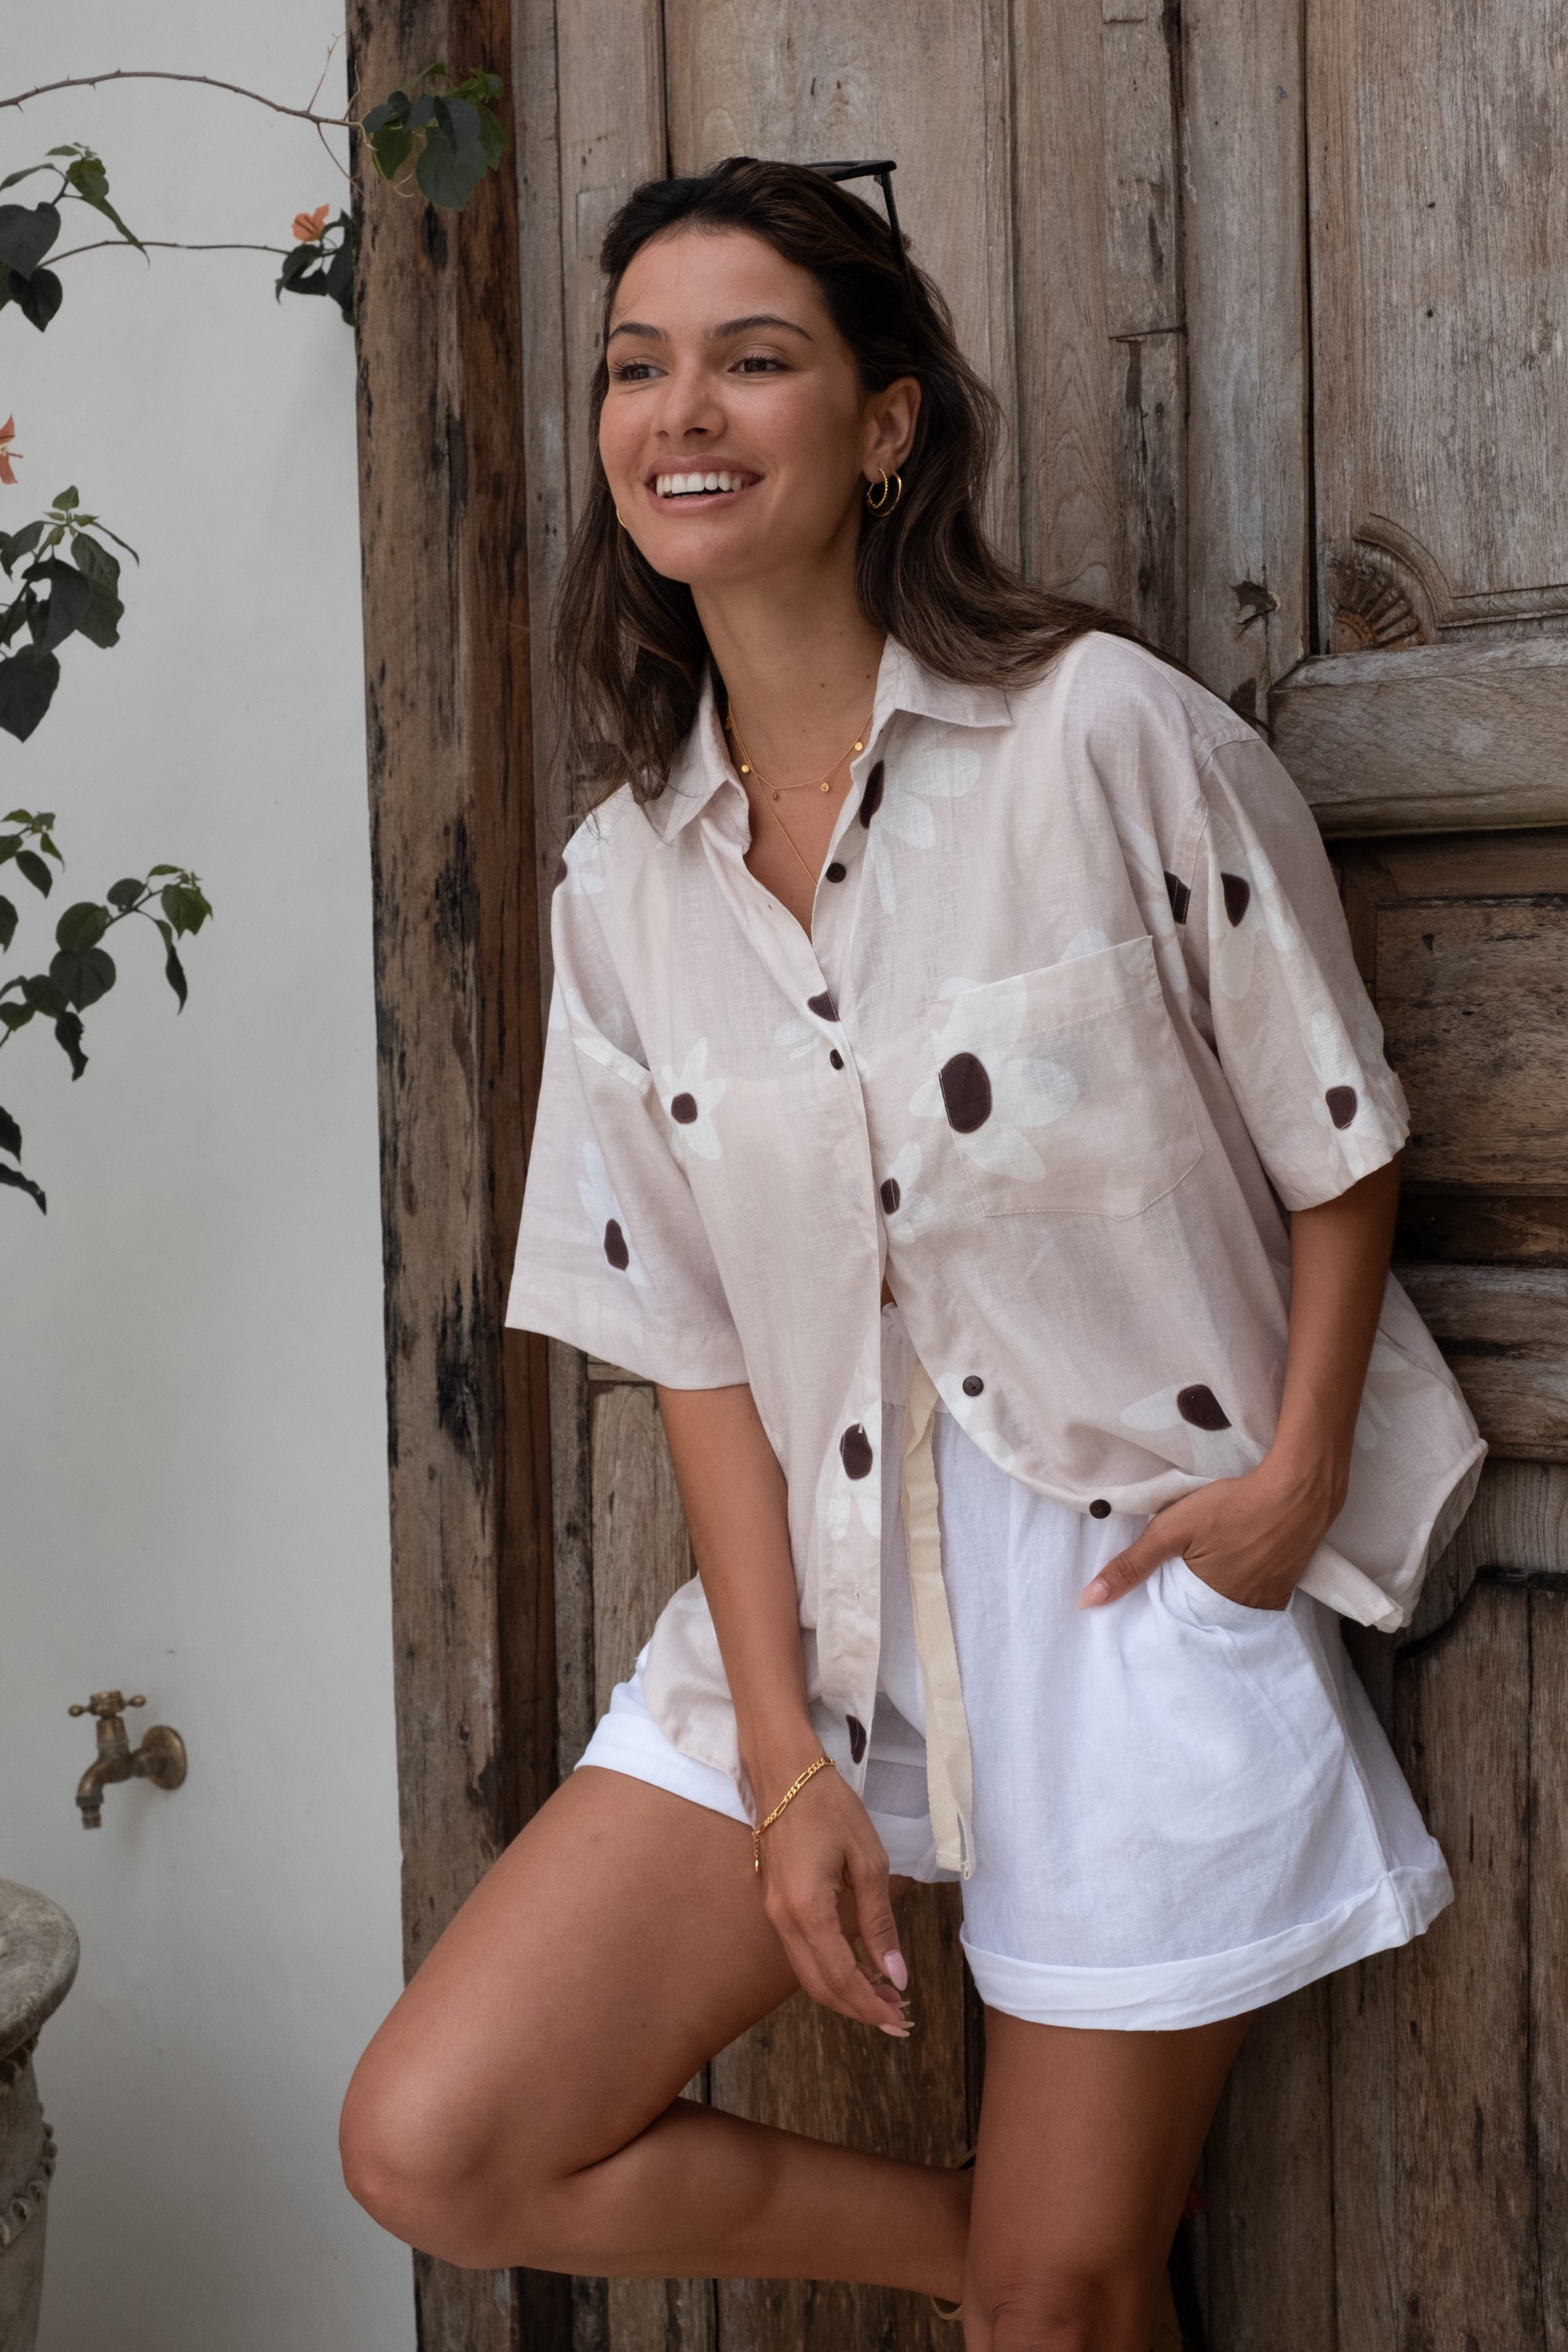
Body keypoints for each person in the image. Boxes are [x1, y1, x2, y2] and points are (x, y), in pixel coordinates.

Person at [339, 157, 1485, 2349]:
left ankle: (1059, 2267)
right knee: (442, 2139)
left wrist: (1295, 1476)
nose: (686, 408)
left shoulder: (1103, 739)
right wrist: (782, 1762)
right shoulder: (620, 890)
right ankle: (1028, 2245)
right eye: (638, 365)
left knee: (1059, 2315)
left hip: (1135, 1577)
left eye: (754, 357)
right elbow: (688, 1346)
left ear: (883, 426)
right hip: (824, 1612)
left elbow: (1337, 1140)